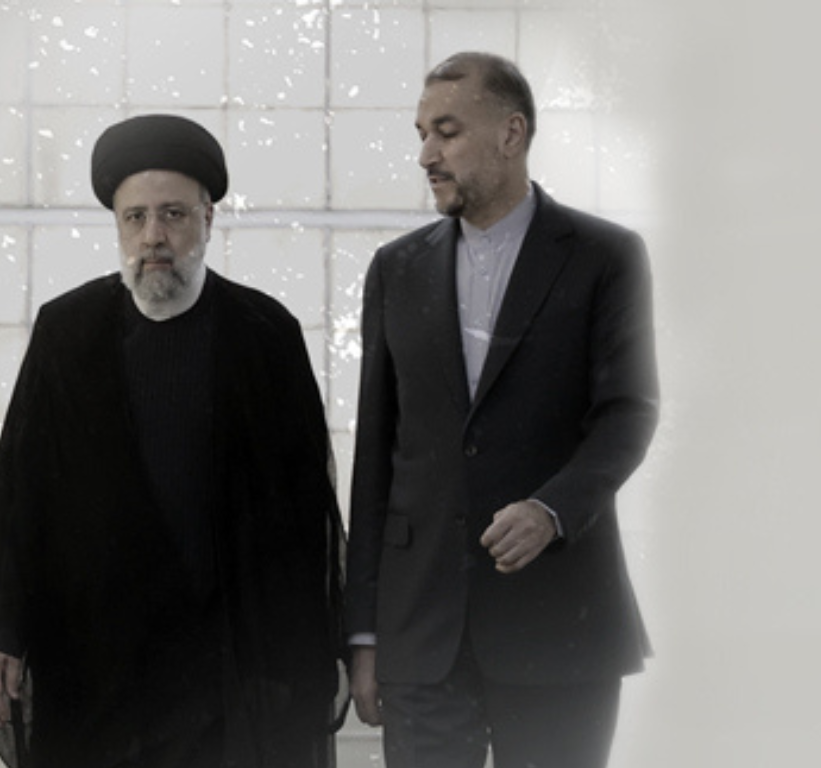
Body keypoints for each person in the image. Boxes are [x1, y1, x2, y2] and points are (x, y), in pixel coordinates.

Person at [0, 113, 347, 768]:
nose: (153, 236)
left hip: (229, 672)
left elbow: (307, 514)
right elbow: (18, 492)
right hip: (98, 665)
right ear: (117, 226)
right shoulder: (67, 333)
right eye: (134, 218)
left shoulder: (265, 334)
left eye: (173, 215)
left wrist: (310, 652)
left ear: (208, 220)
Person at [345, 52, 659, 768]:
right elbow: (376, 455)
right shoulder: (395, 269)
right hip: (421, 636)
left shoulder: (606, 256)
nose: (426, 155)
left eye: (447, 132)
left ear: (511, 134)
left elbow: (629, 413)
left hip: (560, 625)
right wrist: (363, 634)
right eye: (421, 133)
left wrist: (552, 509)